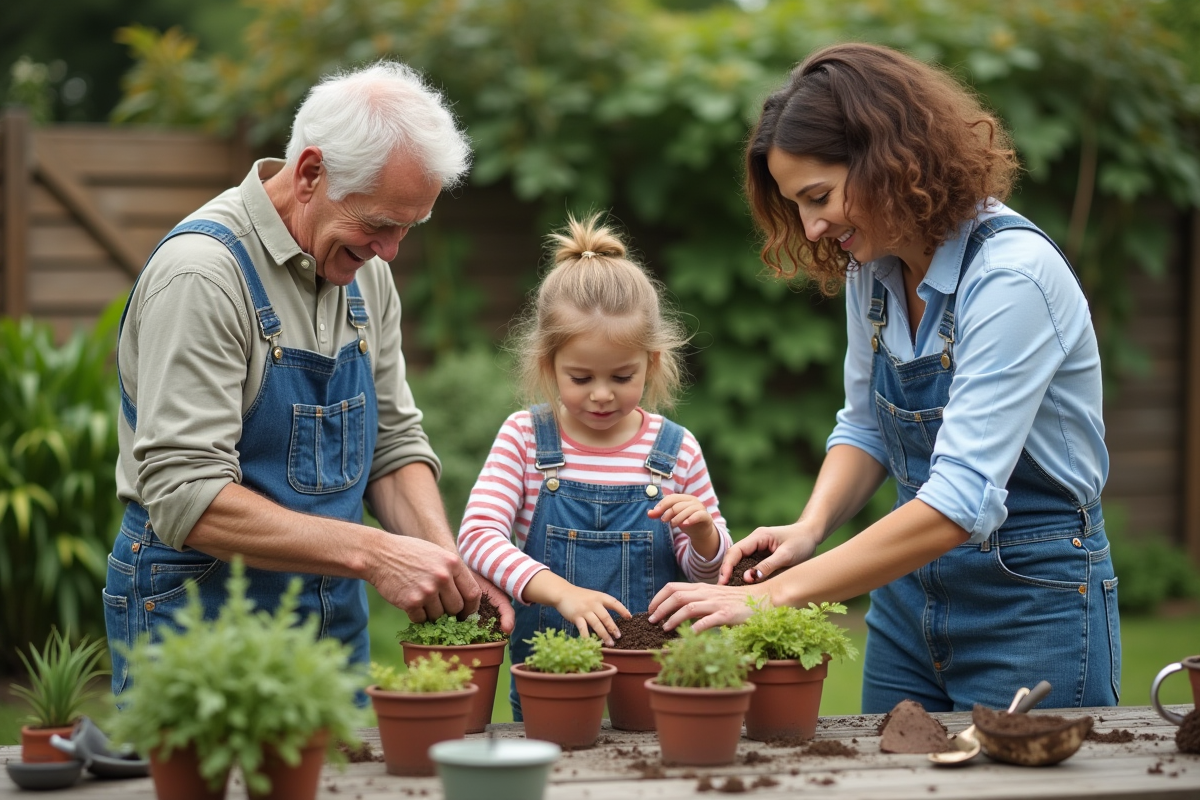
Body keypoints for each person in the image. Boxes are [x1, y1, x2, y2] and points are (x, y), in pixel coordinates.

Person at [649, 42, 1120, 713]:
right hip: (907, 600)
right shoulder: (873, 268)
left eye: (820, 196)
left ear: (889, 161)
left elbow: (960, 500)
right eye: (797, 204)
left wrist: (770, 594)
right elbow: (866, 424)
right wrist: (812, 527)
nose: (811, 226)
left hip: (1031, 600)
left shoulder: (1011, 278)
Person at [104, 61, 514, 697]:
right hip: (200, 610)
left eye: (409, 227)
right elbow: (186, 493)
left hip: (327, 616)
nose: (393, 252)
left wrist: (444, 563)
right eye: (380, 224)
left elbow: (393, 446)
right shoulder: (204, 277)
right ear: (311, 173)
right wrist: (377, 554)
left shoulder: (364, 272)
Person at [457, 214, 732, 718]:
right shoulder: (524, 439)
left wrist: (704, 535)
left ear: (651, 363)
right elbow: (477, 538)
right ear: (548, 365)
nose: (602, 395)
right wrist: (560, 593)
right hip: (550, 681)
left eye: (622, 376)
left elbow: (710, 579)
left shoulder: (676, 449)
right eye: (581, 377)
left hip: (656, 688)